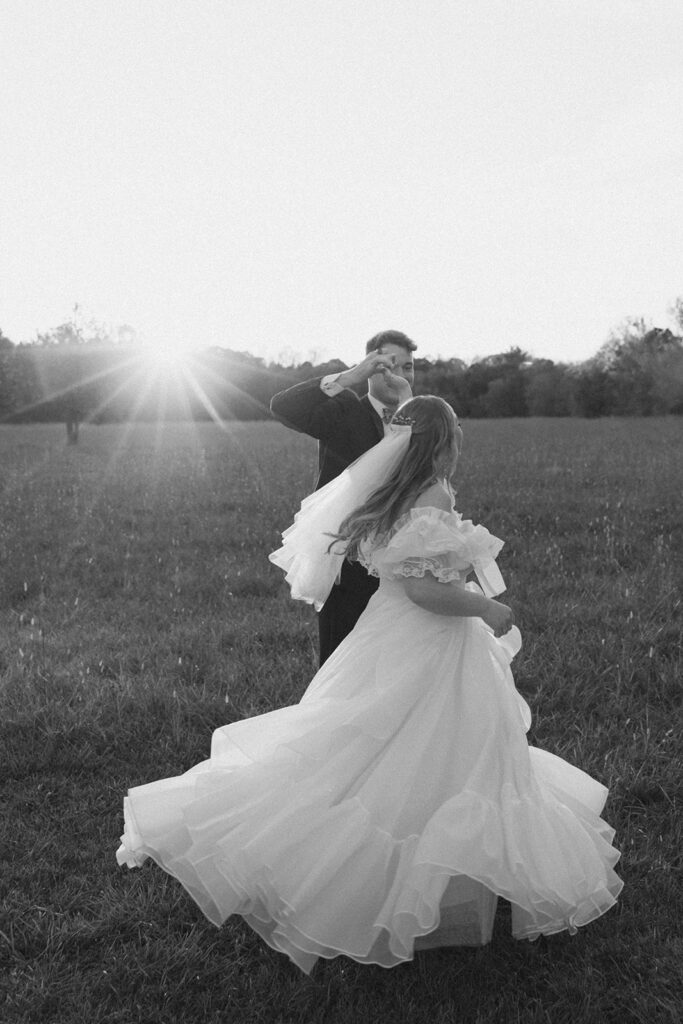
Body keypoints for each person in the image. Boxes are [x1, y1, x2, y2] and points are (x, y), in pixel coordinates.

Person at [117, 395, 622, 975]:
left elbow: (409, 577)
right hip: (427, 639)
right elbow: (425, 592)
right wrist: (487, 608)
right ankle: (388, 882)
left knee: (390, 741)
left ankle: (433, 873)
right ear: (444, 439)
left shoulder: (392, 494)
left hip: (385, 633)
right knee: (441, 742)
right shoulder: (432, 495)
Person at [270, 329, 416, 664]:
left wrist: (409, 405)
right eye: (389, 366)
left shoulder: (424, 415)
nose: (400, 374)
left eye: (408, 367)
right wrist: (352, 376)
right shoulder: (345, 411)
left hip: (404, 562)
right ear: (369, 366)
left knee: (396, 663)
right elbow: (283, 407)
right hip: (348, 562)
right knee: (341, 664)